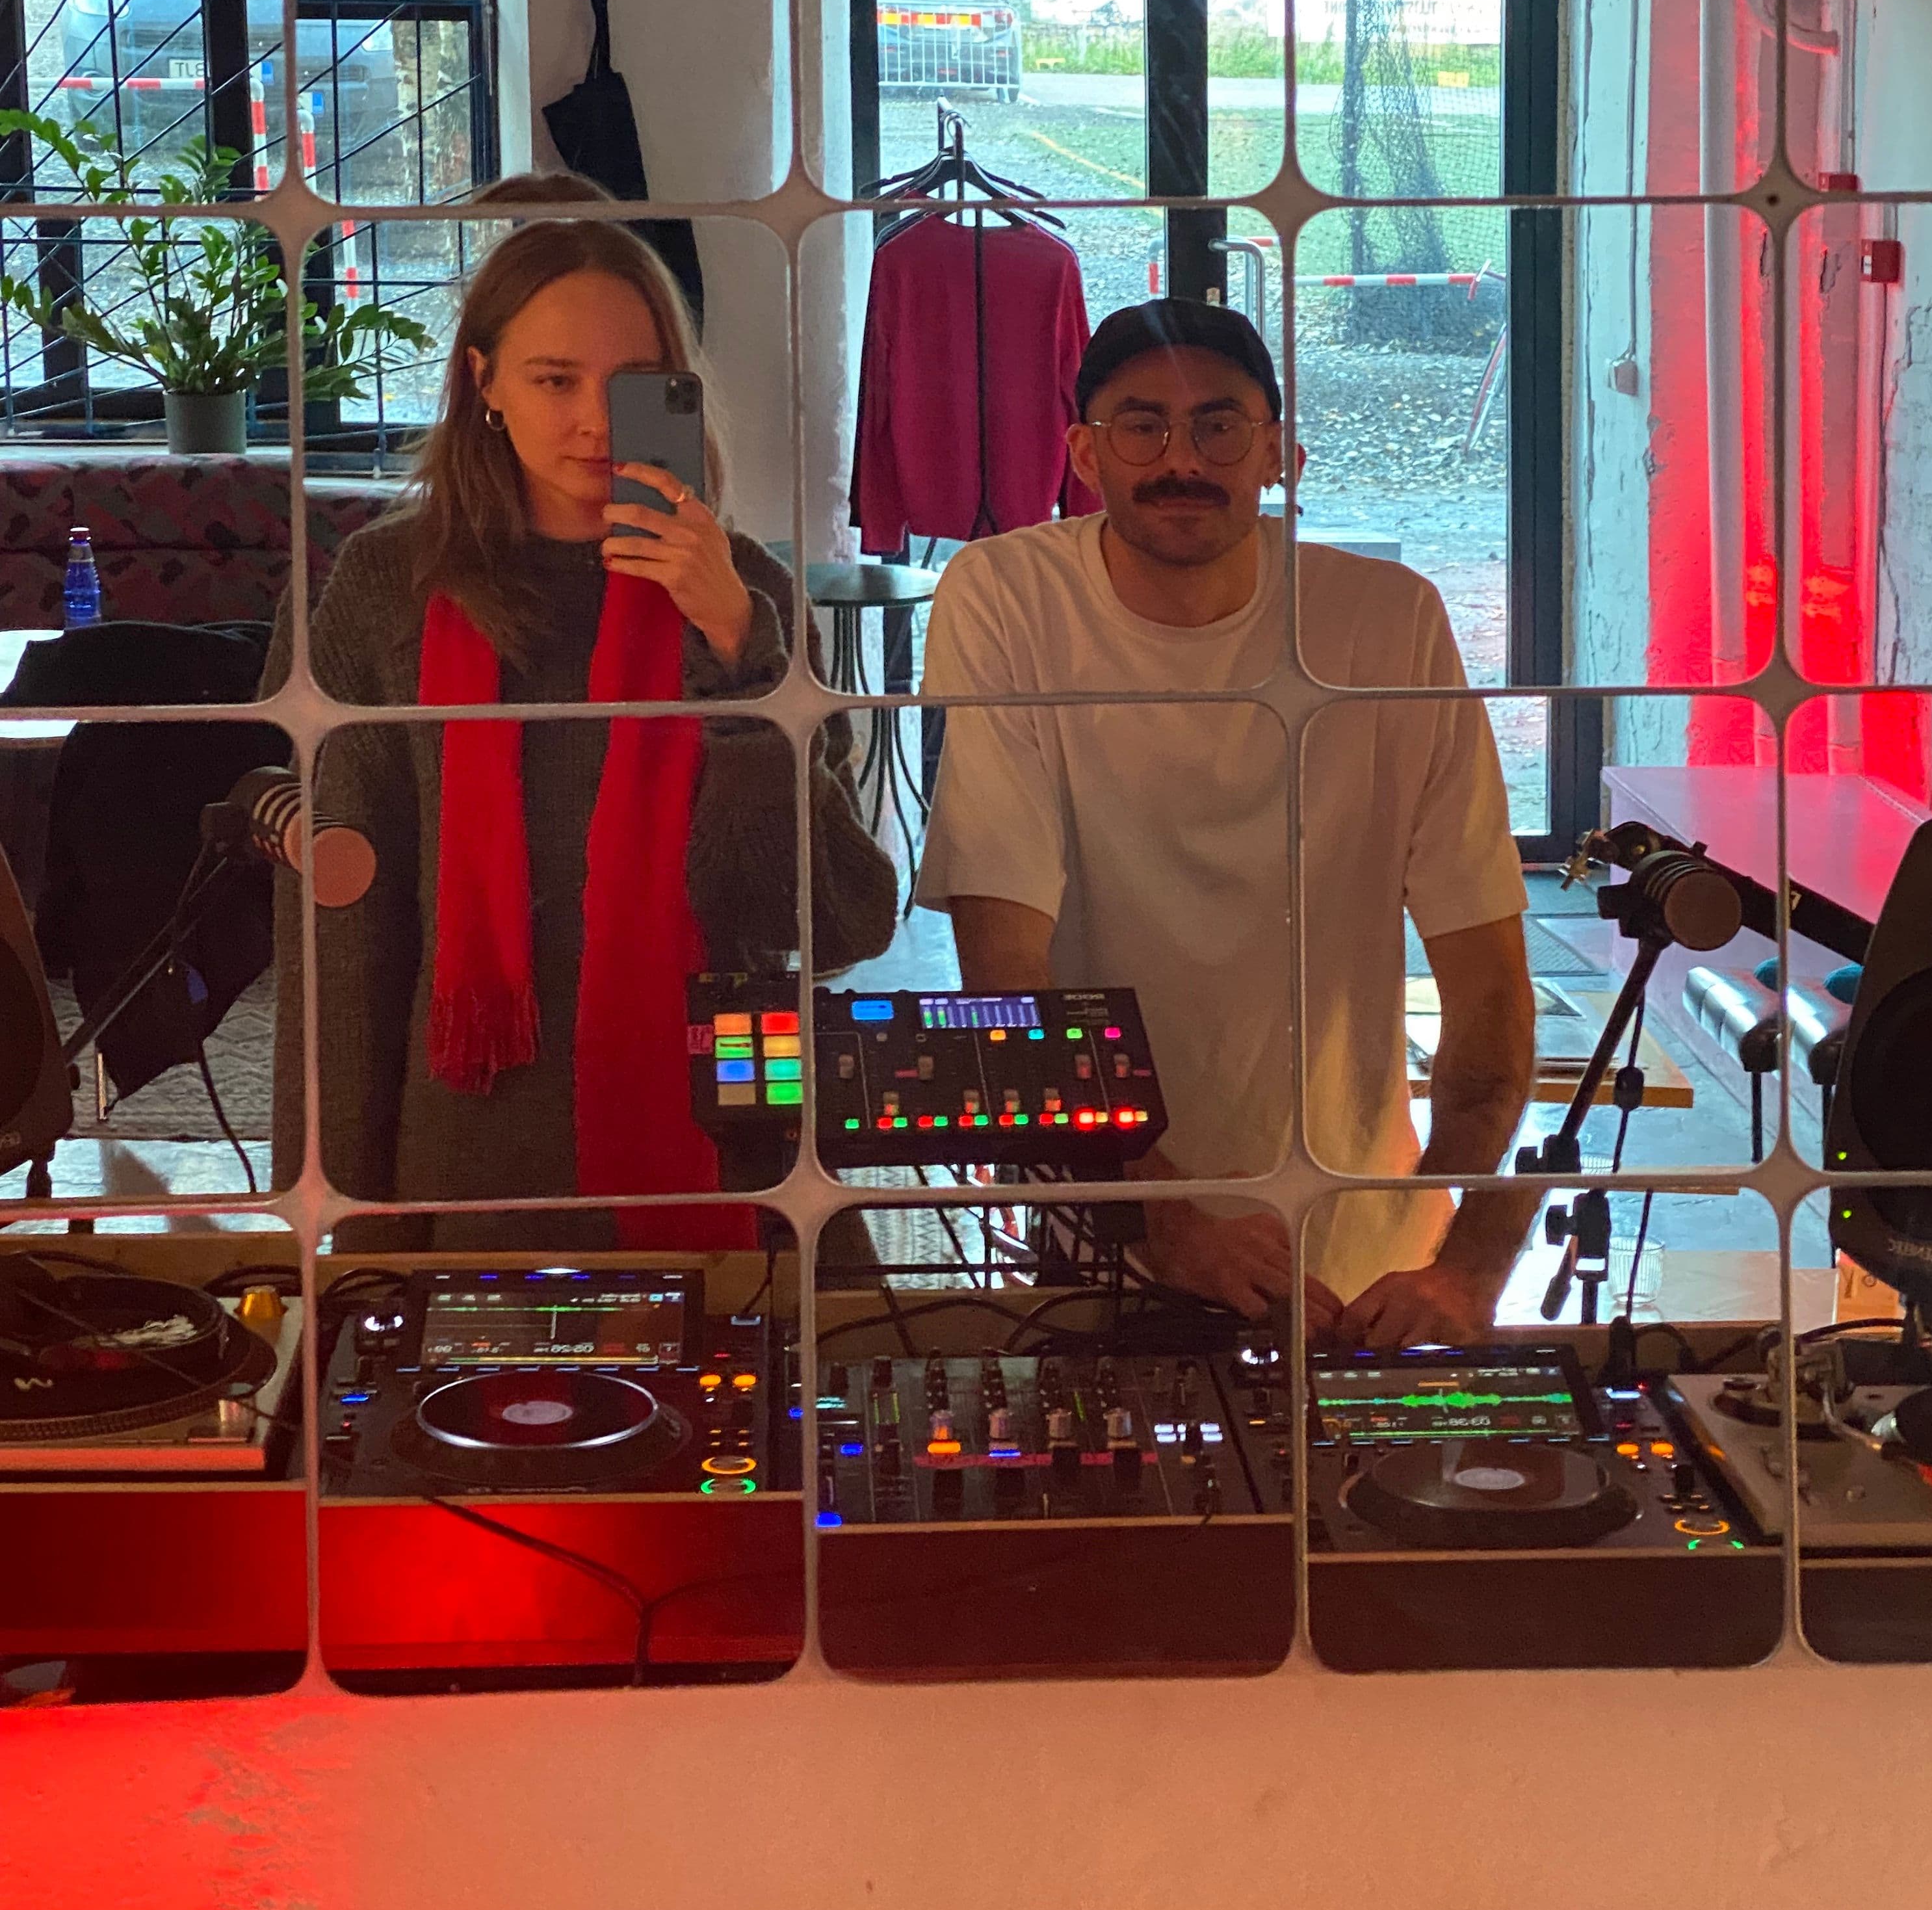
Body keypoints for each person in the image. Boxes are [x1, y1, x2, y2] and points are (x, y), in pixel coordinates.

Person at [270, 174, 897, 1247]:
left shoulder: (743, 591)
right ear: (484, 383)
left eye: (635, 384)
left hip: (728, 1146)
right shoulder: (390, 587)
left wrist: (737, 655)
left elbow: (830, 923)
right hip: (467, 1148)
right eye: (555, 379)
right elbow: (343, 927)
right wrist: (338, 1201)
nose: (597, 422)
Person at [915, 296, 1535, 1337]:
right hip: (1113, 1229)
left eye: (1219, 426)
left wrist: (1466, 1260)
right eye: (1142, 426)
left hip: (1366, 1258)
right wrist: (1167, 1216)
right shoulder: (1007, 598)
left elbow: (1487, 984)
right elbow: (1005, 967)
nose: (1182, 460)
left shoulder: (1390, 623)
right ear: (1084, 454)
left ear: (1278, 452)